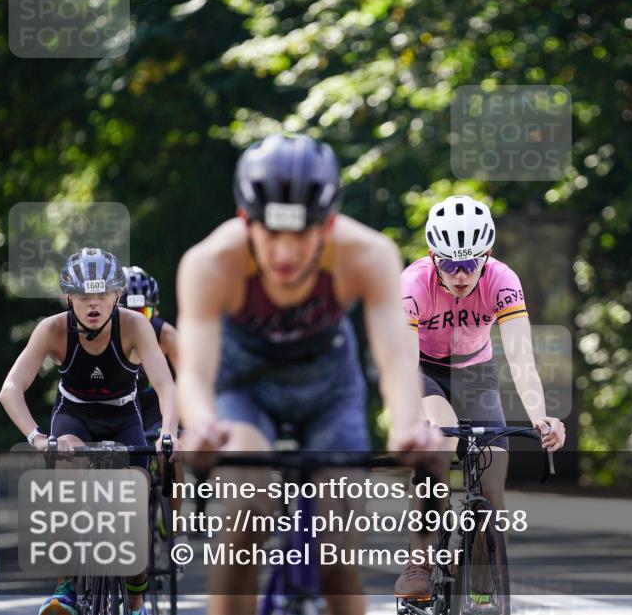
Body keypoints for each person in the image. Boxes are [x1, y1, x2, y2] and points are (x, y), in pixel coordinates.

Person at [175, 133, 439, 615]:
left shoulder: (368, 254)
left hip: (329, 391)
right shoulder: (210, 263)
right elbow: (194, 371)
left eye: (302, 234)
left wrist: (405, 425)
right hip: (244, 390)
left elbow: (395, 356)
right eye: (271, 233)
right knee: (246, 516)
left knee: (338, 551)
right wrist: (200, 426)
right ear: (244, 221)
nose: (285, 252)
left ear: (330, 225)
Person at [393, 194, 566, 599]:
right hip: (425, 371)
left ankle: (480, 577)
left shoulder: (502, 280)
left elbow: (522, 357)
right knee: (439, 445)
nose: (460, 274)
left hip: (476, 373)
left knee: (492, 485)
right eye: (449, 263)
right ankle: (419, 561)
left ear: (487, 253)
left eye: (470, 263)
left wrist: (542, 417)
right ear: (433, 256)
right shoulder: (412, 283)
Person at [0, 247, 180, 615]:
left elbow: (165, 385)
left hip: (124, 416)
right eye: (83, 296)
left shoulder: (135, 325)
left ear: (117, 295)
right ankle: (66, 588)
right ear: (69, 297)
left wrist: (169, 433)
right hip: (74, 416)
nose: (92, 304)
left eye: (102, 295)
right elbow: (11, 389)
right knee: (68, 472)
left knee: (134, 501)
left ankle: (136, 601)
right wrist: (37, 437)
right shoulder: (51, 329)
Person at [119, 265, 179, 437]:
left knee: (170, 448)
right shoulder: (98, 334)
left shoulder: (167, 335)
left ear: (156, 311)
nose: (136, 321)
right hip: (116, 406)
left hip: (155, 403)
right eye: (127, 313)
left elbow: (187, 379)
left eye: (144, 312)